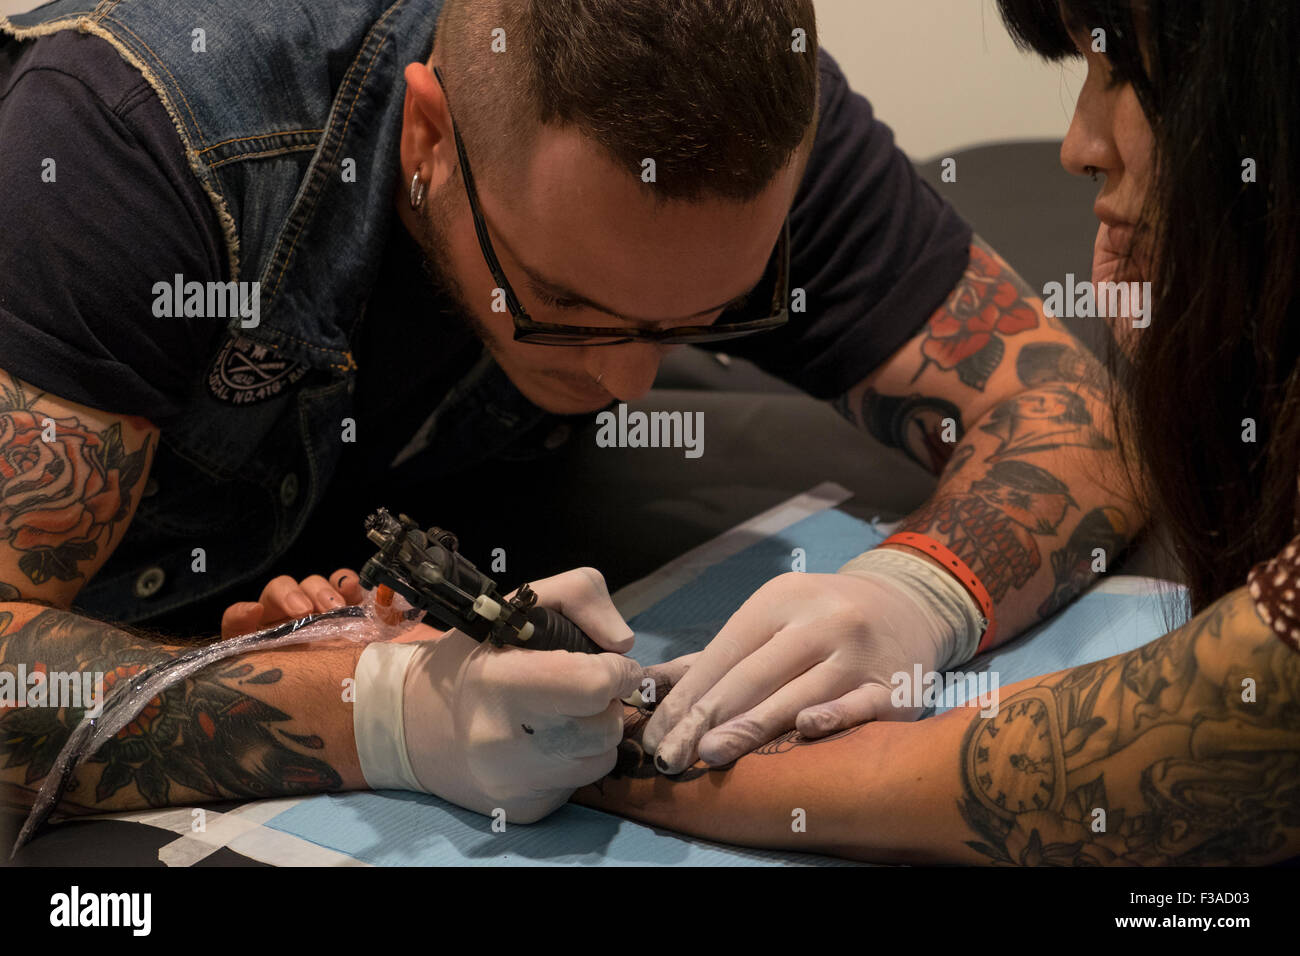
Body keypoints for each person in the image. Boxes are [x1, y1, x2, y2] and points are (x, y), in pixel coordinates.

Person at [0, 0, 1137, 830]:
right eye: (567, 309)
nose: (632, 386)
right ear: (428, 140)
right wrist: (377, 713)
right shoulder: (127, 149)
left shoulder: (739, 115)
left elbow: (1067, 410)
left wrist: (923, 590)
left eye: (702, 315)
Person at [574, 0, 1300, 865]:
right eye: (560, 305)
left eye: (1129, 76)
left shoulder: (736, 106)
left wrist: (589, 748)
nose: (1078, 145)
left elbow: (1190, 742)